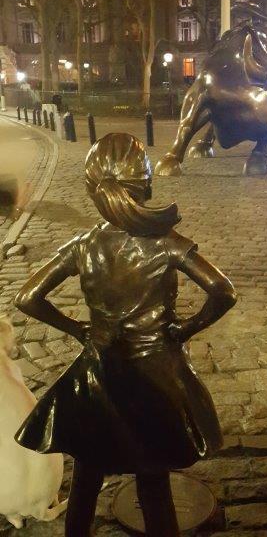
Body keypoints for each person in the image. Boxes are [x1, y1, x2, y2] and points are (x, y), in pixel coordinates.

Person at [14, 133, 237, 537]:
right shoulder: (167, 242)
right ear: (147, 185)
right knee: (153, 485)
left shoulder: (82, 245)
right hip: (157, 377)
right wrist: (186, 327)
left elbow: (27, 297)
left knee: (85, 479)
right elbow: (223, 291)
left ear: (90, 189)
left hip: (97, 375)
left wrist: (77, 329)